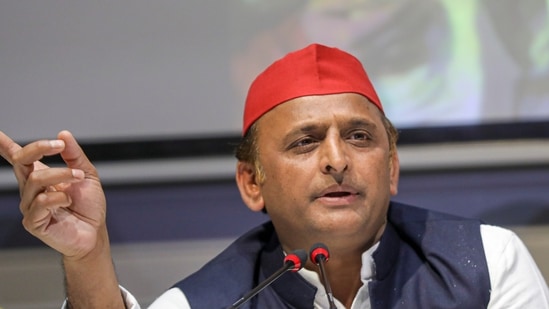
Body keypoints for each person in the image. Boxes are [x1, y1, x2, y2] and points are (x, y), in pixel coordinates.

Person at [1, 43, 548, 308]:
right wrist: (86, 256)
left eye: (360, 136)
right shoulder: (208, 302)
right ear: (251, 183)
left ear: (393, 166)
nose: (337, 159)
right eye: (305, 142)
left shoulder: (487, 263)